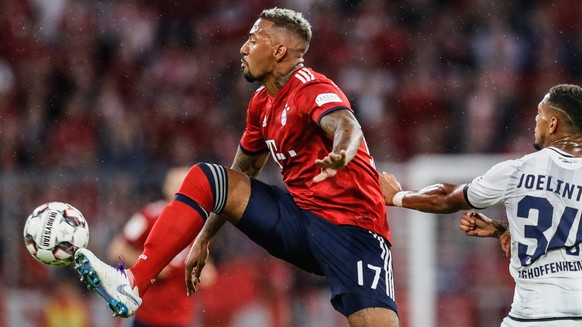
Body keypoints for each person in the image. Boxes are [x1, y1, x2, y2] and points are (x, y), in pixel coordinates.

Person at [73, 7, 399, 327]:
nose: (243, 48)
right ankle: (133, 282)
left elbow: (347, 125)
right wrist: (204, 237)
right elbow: (237, 178)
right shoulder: (261, 103)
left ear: (279, 50)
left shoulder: (311, 87)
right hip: (300, 221)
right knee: (208, 178)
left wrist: (341, 152)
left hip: (353, 231)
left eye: (254, 40)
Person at [380, 84, 582, 326]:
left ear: (553, 124)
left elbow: (446, 198)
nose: (535, 122)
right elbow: (567, 223)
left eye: (539, 114)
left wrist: (397, 196)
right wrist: (504, 230)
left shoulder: (519, 170)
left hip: (534, 314)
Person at [107, 166, 216, 327]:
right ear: (166, 187)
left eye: (185, 183)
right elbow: (116, 249)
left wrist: (204, 271)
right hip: (145, 313)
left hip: (180, 316)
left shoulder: (202, 224)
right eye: (176, 183)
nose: (181, 188)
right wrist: (149, 264)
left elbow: (205, 268)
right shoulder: (148, 216)